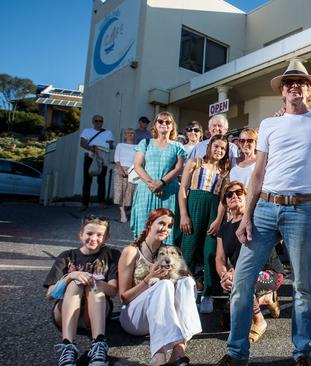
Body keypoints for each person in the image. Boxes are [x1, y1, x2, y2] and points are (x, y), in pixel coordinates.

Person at [216, 59, 311, 366]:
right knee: (242, 282)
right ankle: (236, 352)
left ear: (309, 91)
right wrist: (246, 216)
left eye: (301, 82)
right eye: (289, 82)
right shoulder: (269, 125)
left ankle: (301, 353)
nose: (294, 85)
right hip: (265, 207)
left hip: (302, 209)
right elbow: (257, 174)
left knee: (302, 286)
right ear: (283, 91)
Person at [118, 208, 202, 366]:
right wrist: (149, 279)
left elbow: (193, 286)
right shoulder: (132, 251)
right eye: (161, 223)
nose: (165, 228)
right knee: (163, 285)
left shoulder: (170, 251)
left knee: (186, 282)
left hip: (160, 318)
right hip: (133, 316)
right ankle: (158, 356)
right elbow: (123, 297)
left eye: (169, 226)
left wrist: (180, 273)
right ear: (150, 224)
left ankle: (179, 351)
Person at [44, 215, 120, 366]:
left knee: (93, 284)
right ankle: (68, 346)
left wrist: (92, 279)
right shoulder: (67, 256)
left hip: (95, 315)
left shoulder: (112, 255)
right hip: (65, 314)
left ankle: (98, 343)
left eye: (99, 235)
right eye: (89, 233)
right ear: (81, 234)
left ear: (106, 237)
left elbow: (112, 291)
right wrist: (71, 276)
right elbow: (49, 295)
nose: (93, 238)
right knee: (75, 283)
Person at [216, 181, 284, 342]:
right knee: (227, 322)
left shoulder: (256, 218)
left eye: (239, 192)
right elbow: (219, 258)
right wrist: (224, 274)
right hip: (240, 275)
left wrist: (236, 273)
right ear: (225, 202)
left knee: (242, 285)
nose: (234, 196)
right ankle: (267, 298)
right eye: (229, 194)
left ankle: (259, 321)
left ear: (246, 197)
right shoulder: (224, 229)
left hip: (269, 272)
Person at [178, 134, 231, 314]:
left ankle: (208, 294)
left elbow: (224, 199)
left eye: (223, 149)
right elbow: (183, 189)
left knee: (210, 252)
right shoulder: (195, 162)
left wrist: (218, 220)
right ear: (210, 146)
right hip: (193, 208)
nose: (219, 151)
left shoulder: (224, 171)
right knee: (188, 250)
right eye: (216, 146)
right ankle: (184, 292)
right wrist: (184, 215)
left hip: (212, 212)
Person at [130, 111, 186, 244]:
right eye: (160, 121)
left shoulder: (178, 146)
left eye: (168, 122)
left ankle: (164, 262)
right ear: (155, 125)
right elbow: (138, 165)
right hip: (146, 190)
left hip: (168, 191)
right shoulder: (145, 143)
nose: (164, 124)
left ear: (172, 127)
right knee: (145, 226)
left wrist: (161, 183)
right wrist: (152, 184)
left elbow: (178, 168)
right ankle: (142, 261)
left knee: (166, 229)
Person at [79, 114, 114, 211]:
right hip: (90, 157)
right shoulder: (87, 131)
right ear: (93, 121)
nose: (98, 122)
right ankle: (84, 203)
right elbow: (82, 143)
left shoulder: (108, 132)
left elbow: (110, 144)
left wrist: (100, 147)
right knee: (87, 180)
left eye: (100, 121)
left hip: (102, 158)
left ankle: (101, 202)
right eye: (96, 120)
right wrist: (93, 149)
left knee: (101, 180)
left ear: (103, 122)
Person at [113, 128, 138, 223]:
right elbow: (116, 158)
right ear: (124, 135)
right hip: (120, 169)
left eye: (132, 133)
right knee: (120, 191)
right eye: (128, 133)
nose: (130, 134)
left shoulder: (137, 146)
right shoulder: (120, 145)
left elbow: (138, 159)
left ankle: (129, 209)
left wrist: (132, 171)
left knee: (130, 192)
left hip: (133, 170)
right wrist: (120, 169)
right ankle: (122, 213)